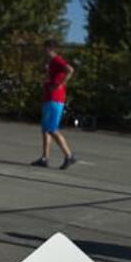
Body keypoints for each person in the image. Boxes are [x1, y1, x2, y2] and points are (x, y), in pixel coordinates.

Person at [31, 39, 77, 170]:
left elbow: (70, 69)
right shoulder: (51, 63)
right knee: (46, 129)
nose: (42, 51)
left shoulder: (57, 60)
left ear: (49, 49)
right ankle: (44, 158)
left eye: (44, 49)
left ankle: (69, 156)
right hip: (49, 98)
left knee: (52, 129)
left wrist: (60, 84)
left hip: (55, 99)